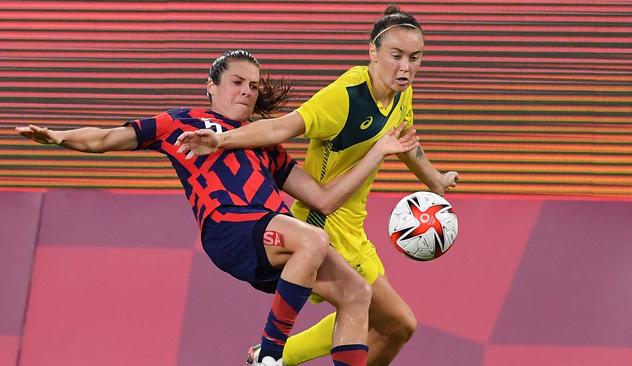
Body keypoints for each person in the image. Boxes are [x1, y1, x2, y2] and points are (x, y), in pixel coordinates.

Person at [16, 50, 421, 366]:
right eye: (236, 82)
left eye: (254, 86)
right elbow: (105, 139)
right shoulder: (182, 122)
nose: (247, 91)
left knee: (357, 293)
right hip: (232, 230)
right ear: (210, 86)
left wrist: (380, 151)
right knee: (314, 239)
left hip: (275, 240)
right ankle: (269, 353)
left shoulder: (263, 143)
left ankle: (273, 351)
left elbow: (326, 199)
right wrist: (57, 137)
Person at [175, 6, 460, 366]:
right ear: (373, 52)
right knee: (368, 308)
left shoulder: (401, 92)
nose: (406, 68)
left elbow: (402, 137)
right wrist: (222, 141)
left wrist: (434, 179)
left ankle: (270, 355)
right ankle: (272, 355)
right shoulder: (343, 98)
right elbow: (281, 128)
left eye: (415, 58)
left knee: (399, 326)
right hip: (324, 225)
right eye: (397, 56)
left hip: (353, 225)